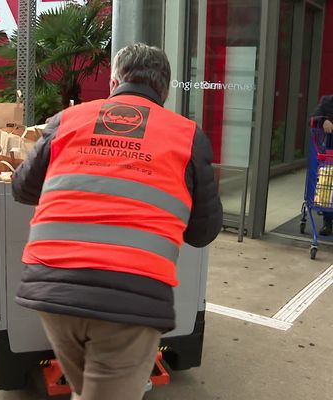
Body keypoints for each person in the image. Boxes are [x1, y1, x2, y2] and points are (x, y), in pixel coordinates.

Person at [11, 43, 223, 400]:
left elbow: (21, 188)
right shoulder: (187, 136)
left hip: (52, 291)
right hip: (129, 304)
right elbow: (203, 232)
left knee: (88, 390)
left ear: (113, 82)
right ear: (165, 91)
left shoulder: (68, 120)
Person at [311, 95, 333, 235]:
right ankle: (327, 222)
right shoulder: (327, 101)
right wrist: (324, 120)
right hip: (330, 154)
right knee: (328, 186)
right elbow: (313, 118)